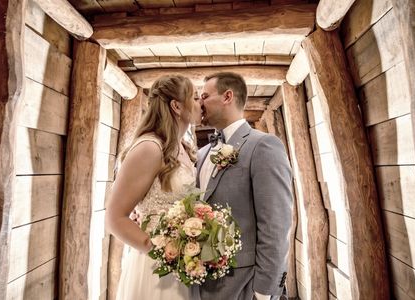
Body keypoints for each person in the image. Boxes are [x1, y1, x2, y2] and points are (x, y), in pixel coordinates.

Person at [192, 72, 293, 300]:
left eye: (205, 96)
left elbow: (275, 224)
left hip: (246, 287)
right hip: (202, 284)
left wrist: (264, 292)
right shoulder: (201, 154)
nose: (199, 103)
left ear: (228, 96)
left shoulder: (264, 146)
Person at [105, 74, 201, 300]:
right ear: (177, 106)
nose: (201, 103)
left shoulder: (183, 148)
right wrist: (162, 251)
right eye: (195, 98)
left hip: (186, 265)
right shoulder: (150, 147)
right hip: (157, 269)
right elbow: (114, 217)